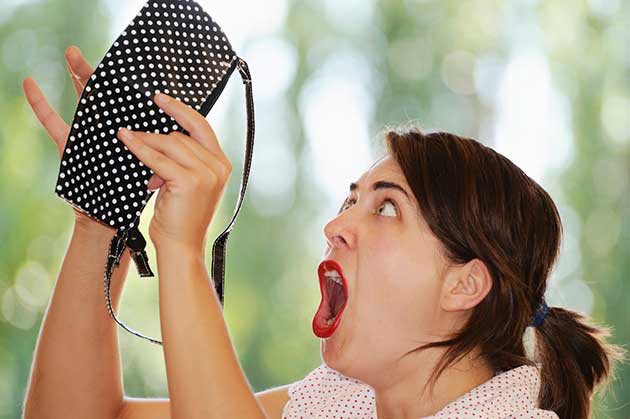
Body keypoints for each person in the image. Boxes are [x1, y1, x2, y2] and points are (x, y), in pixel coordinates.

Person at [22, 46, 626, 419]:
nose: (335, 226)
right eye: (349, 201)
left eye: (386, 208)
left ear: (464, 284)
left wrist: (181, 252)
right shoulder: (341, 401)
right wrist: (102, 217)